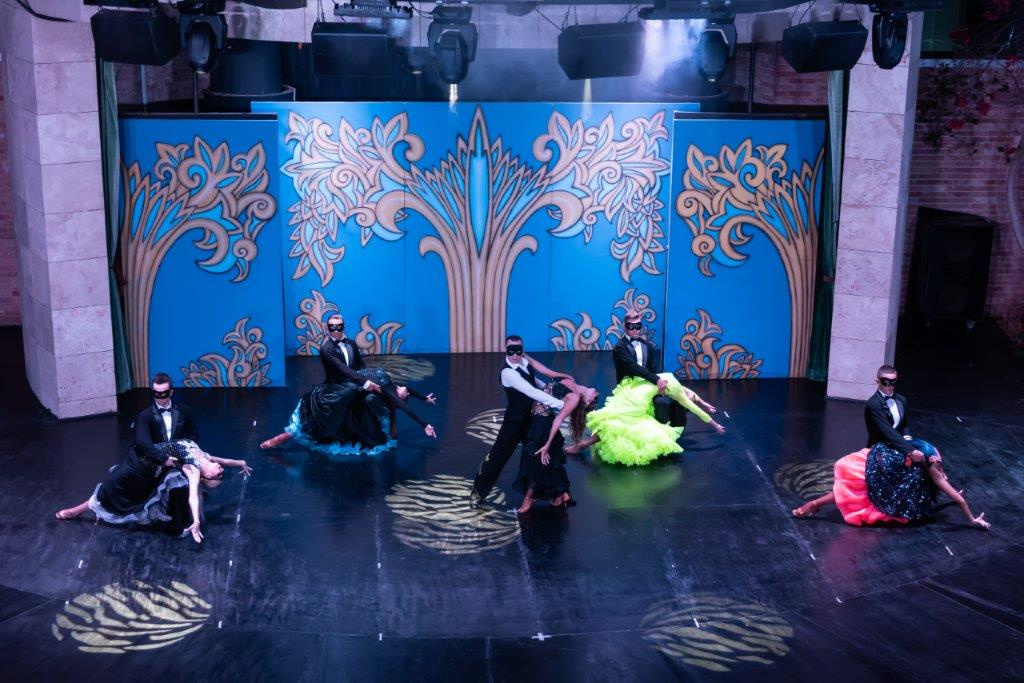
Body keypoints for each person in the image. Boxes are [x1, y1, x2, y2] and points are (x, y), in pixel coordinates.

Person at [792, 365, 990, 529]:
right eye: (885, 382)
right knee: (862, 486)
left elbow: (904, 427)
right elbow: (888, 432)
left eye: (893, 382)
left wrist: (910, 443)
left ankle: (907, 507)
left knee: (916, 478)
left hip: (902, 449)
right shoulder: (873, 405)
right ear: (877, 381)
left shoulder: (901, 400)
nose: (889, 386)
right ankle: (816, 503)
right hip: (882, 450)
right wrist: (910, 450)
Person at [260, 314, 437, 455]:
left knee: (368, 400)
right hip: (336, 386)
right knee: (331, 407)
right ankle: (286, 435)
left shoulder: (351, 344)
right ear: (328, 328)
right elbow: (343, 370)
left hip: (358, 382)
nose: (336, 330)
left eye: (339, 327)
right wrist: (366, 382)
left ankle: (368, 432)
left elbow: (361, 366)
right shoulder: (326, 349)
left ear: (343, 327)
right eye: (332, 327)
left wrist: (424, 408)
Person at [55, 439, 251, 543]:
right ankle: (78, 510)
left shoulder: (194, 469)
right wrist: (240, 462)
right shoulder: (205, 456)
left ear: (206, 476)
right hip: (142, 460)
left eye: (218, 475)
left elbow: (193, 495)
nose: (221, 470)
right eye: (221, 473)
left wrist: (197, 521)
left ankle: (76, 510)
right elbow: (223, 460)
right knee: (110, 487)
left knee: (110, 492)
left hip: (146, 471)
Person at [470, 335, 572, 509]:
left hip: (532, 419)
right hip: (514, 422)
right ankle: (478, 492)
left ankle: (557, 493)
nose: (515, 355)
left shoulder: (525, 362)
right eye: (511, 351)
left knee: (544, 453)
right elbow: (531, 391)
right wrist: (563, 406)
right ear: (505, 350)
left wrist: (554, 390)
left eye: (518, 350)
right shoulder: (507, 373)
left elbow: (536, 383)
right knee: (498, 457)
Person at [569, 372, 726, 466]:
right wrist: (716, 425)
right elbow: (696, 409)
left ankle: (583, 443)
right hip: (637, 402)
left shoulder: (672, 378)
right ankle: (583, 444)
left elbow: (693, 396)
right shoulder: (680, 395)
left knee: (614, 420)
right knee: (619, 424)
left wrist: (706, 404)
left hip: (632, 391)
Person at [516, 378, 599, 513]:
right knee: (550, 461)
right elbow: (546, 380)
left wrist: (547, 444)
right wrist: (527, 370)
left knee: (536, 463)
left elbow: (558, 421)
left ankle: (529, 498)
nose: (597, 393)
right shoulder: (571, 381)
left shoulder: (574, 398)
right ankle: (563, 494)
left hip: (542, 425)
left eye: (594, 398)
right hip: (536, 420)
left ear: (587, 401)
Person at [612, 311, 685, 427]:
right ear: (625, 326)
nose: (635, 330)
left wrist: (661, 383)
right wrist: (656, 379)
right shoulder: (619, 348)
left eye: (638, 326)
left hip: (648, 383)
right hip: (629, 387)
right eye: (631, 326)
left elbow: (653, 369)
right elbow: (634, 368)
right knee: (661, 403)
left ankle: (673, 430)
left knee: (674, 398)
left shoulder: (648, 346)